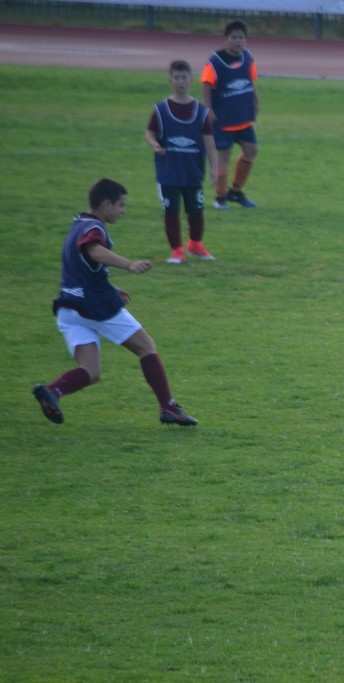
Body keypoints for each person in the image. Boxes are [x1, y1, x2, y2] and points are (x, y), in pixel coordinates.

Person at [32, 178, 198, 427]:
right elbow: (94, 251)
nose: (123, 211)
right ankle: (169, 408)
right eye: (121, 205)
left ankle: (52, 391)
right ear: (106, 204)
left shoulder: (78, 223)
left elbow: (83, 268)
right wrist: (129, 265)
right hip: (94, 307)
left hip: (68, 307)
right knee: (146, 347)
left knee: (91, 372)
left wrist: (110, 289)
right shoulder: (94, 228)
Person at [145, 60, 218, 264]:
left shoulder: (201, 111)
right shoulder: (161, 110)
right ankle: (176, 250)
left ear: (191, 80)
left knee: (196, 209)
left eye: (184, 77)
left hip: (192, 171)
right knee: (171, 210)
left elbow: (209, 140)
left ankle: (195, 244)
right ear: (170, 81)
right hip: (169, 172)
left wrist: (214, 167)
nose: (180, 82)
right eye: (176, 78)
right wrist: (154, 144)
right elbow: (149, 133)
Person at [201, 20, 259, 210]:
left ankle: (236, 191)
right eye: (234, 37)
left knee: (251, 150)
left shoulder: (247, 57)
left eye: (241, 37)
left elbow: (250, 81)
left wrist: (255, 100)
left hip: (243, 116)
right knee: (223, 155)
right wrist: (208, 108)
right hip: (223, 118)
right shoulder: (215, 61)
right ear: (226, 39)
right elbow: (206, 84)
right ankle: (220, 197)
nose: (238, 41)